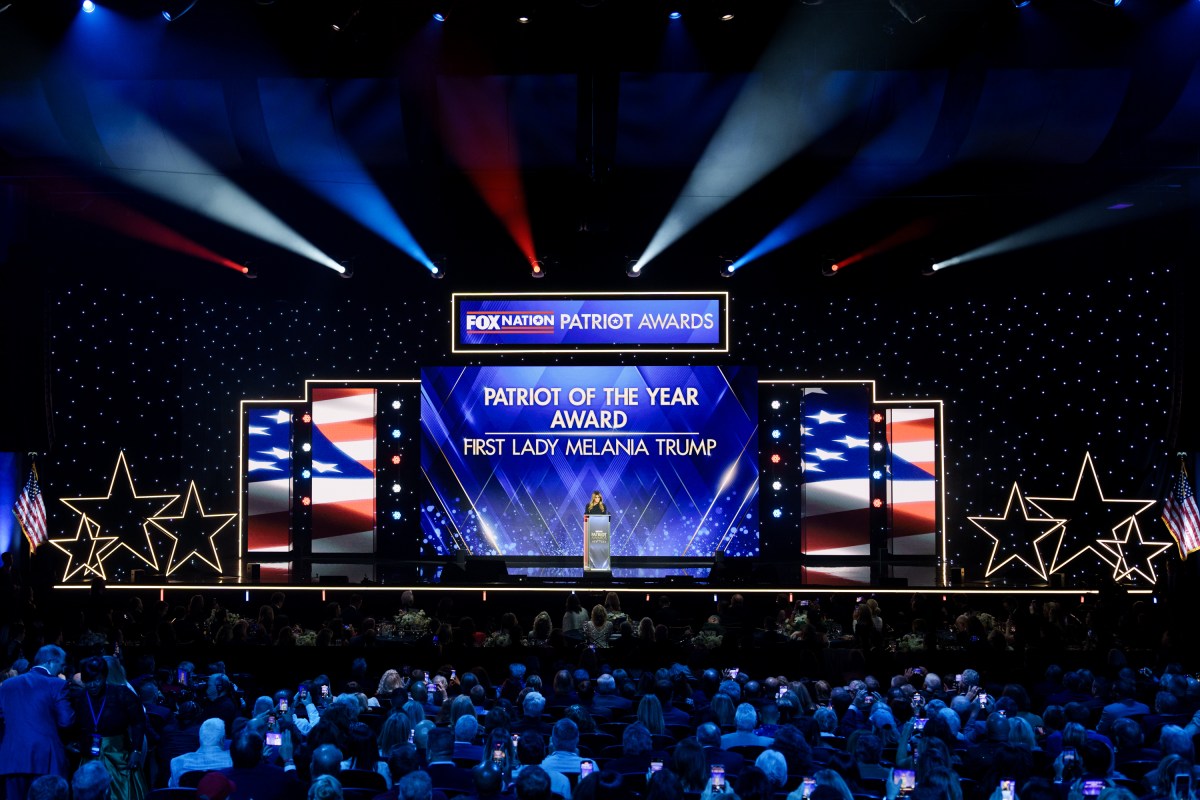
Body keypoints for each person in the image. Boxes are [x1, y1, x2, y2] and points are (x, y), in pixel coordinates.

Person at [0, 644, 75, 800]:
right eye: (61, 666)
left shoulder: (7, 685)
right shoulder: (57, 684)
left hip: (11, 759)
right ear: (50, 662)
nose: (61, 671)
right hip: (45, 759)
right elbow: (66, 721)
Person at [70, 655, 148, 800]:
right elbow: (76, 724)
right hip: (90, 754)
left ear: (105, 676)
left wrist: (136, 749)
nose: (92, 685)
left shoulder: (122, 693)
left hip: (118, 752)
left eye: (97, 680)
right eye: (88, 681)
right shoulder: (81, 697)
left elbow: (138, 721)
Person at [169, 717, 232, 786]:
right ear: (222, 740)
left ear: (200, 738)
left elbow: (174, 791)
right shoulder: (233, 761)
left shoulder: (177, 762)